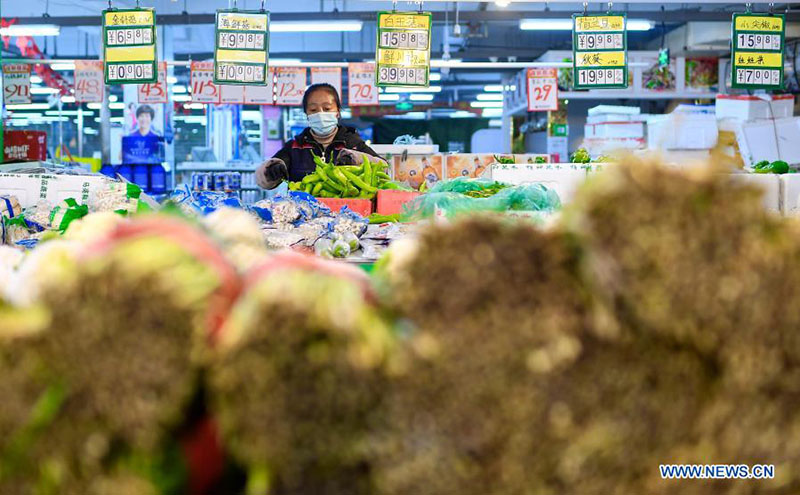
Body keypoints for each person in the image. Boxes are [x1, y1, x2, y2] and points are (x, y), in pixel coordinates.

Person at [256, 83, 385, 189]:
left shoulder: (353, 144)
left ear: (338, 112)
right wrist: (270, 171)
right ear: (306, 114)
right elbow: (263, 181)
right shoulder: (294, 147)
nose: (320, 114)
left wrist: (358, 159)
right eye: (313, 110)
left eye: (327, 108)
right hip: (301, 216)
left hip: (344, 216)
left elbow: (384, 169)